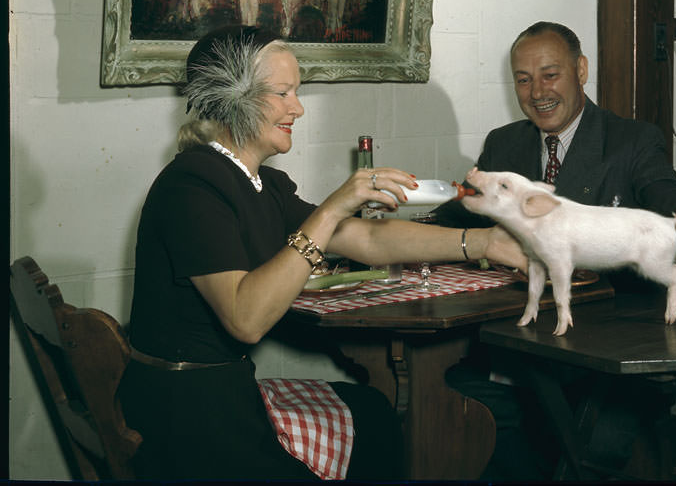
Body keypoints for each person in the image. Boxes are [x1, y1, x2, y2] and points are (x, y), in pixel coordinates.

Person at [119, 24, 528, 480]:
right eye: (283, 93)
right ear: (233, 99)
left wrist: (483, 242)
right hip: (186, 414)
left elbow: (367, 239)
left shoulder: (261, 183)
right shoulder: (192, 186)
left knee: (372, 412)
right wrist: (333, 206)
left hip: (220, 393)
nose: (297, 108)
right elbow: (246, 318)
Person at [437, 20, 676, 479]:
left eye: (550, 74)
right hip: (524, 341)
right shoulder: (503, 143)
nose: (537, 91)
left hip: (610, 349)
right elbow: (464, 214)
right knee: (454, 413)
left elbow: (661, 185)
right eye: (523, 79)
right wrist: (412, 217)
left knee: (586, 448)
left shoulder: (631, 139)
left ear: (581, 70)